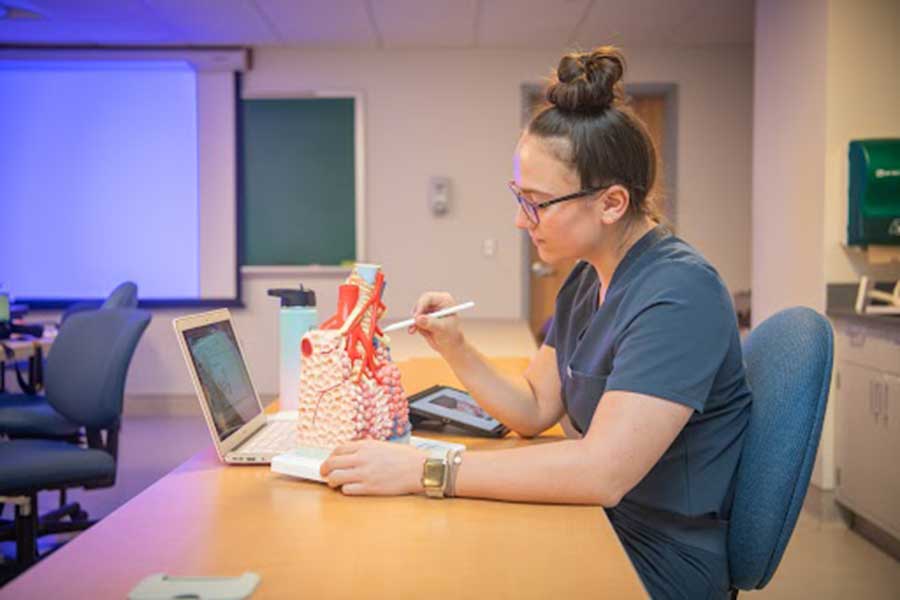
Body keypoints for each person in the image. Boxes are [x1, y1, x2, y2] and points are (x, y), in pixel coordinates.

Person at [320, 46, 752, 599]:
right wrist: (455, 347)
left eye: (536, 203)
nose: (520, 221)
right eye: (518, 198)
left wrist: (422, 470)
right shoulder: (585, 279)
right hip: (603, 521)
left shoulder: (679, 294)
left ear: (612, 202)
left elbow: (601, 473)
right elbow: (533, 408)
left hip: (657, 556)